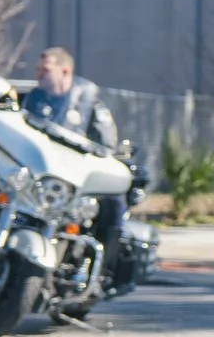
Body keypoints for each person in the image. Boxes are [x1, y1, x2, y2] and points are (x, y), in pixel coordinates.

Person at [23, 47, 137, 286]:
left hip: (77, 178)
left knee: (114, 201)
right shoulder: (32, 100)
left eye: (45, 69)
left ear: (65, 71)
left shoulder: (89, 102)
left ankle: (106, 267)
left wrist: (104, 154)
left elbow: (107, 143)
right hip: (42, 176)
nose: (39, 74)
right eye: (38, 69)